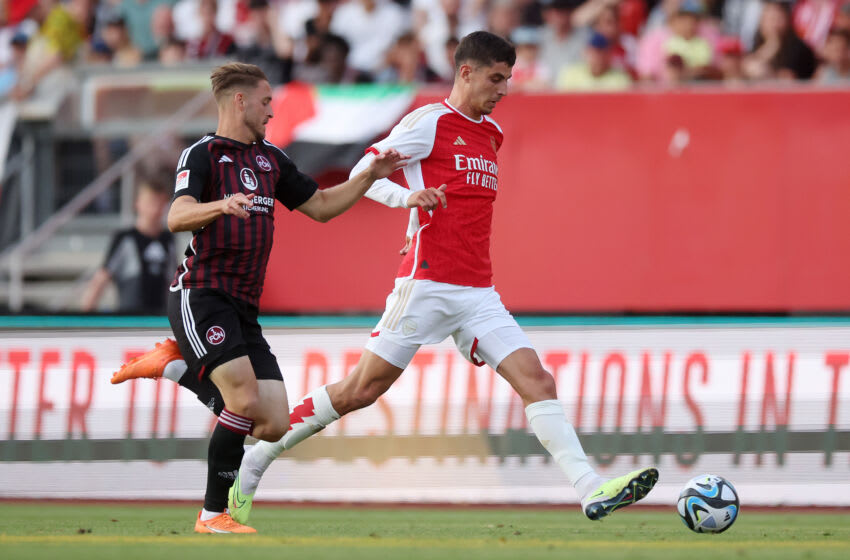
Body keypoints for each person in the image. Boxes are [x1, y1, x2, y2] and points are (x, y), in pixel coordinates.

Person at [113, 32, 658, 527]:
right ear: (465, 72)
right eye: (496, 77)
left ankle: (590, 489)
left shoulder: (491, 134)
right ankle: (256, 459)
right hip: (424, 284)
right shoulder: (427, 122)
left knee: (537, 380)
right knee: (359, 391)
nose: (504, 90)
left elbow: (357, 204)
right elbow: (364, 175)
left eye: (509, 79)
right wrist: (408, 200)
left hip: (478, 292)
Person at [114, 61, 409, 534]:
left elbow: (323, 207)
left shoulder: (272, 159)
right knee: (245, 399)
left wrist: (370, 176)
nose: (272, 111)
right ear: (240, 101)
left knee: (271, 424)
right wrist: (221, 205)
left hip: (244, 307)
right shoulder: (203, 154)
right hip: (201, 294)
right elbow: (176, 216)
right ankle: (213, 514)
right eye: (267, 101)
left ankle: (175, 367)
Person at [81, 179, 175, 313]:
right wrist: (86, 317)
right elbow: (101, 279)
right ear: (138, 204)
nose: (155, 208)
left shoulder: (168, 239)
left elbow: (172, 281)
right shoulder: (125, 238)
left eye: (160, 203)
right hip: (130, 321)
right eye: (151, 202)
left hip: (158, 321)